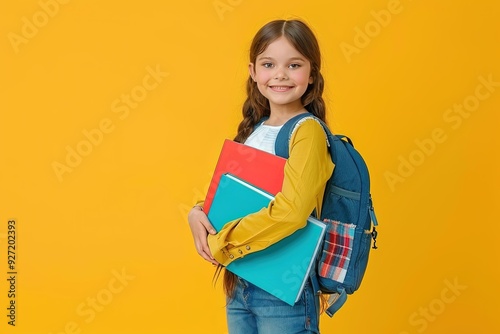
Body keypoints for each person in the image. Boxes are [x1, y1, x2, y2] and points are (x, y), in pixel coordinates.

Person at [187, 19, 334, 334]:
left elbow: (292, 212)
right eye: (269, 64)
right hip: (241, 282)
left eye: (293, 65)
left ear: (311, 75)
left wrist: (223, 241)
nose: (280, 74)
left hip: (282, 289)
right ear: (253, 72)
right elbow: (238, 195)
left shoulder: (306, 131)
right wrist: (198, 212)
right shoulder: (255, 129)